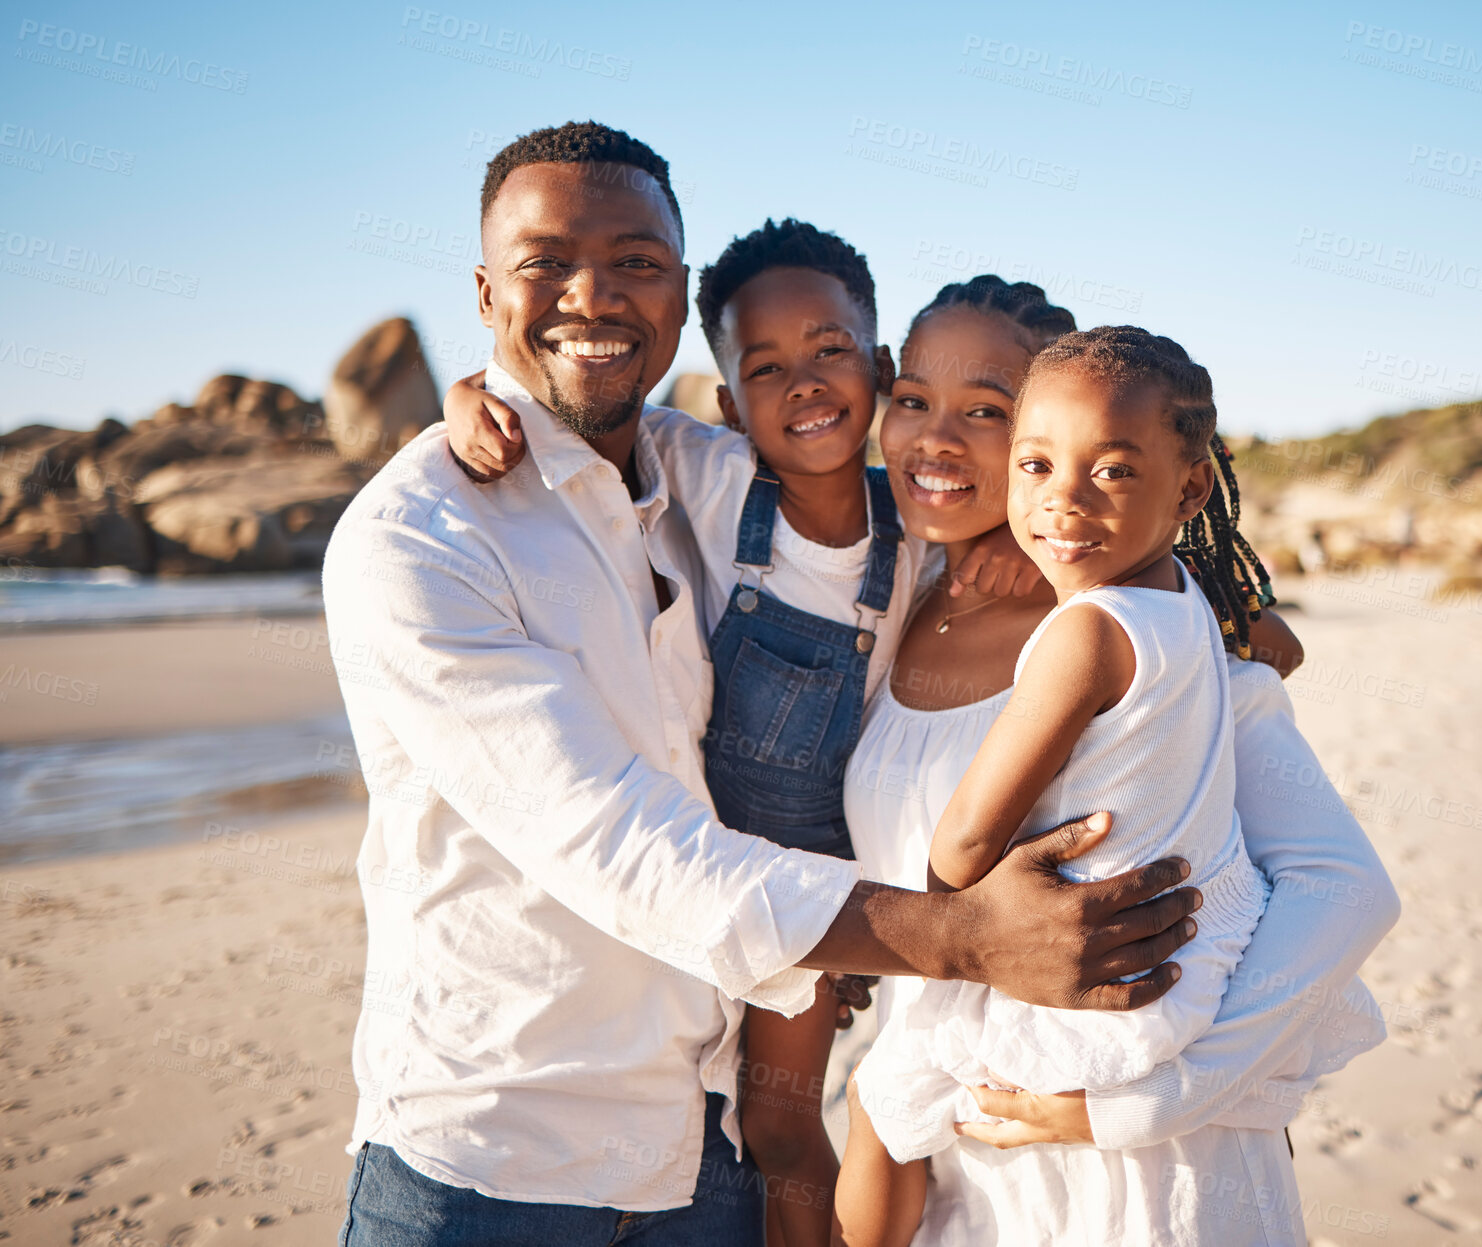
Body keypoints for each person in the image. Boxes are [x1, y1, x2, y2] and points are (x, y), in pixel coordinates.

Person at [323, 122, 1200, 1247]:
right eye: (546, 262)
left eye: (634, 261)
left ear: (675, 292)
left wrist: (1206, 600)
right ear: (487, 290)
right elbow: (621, 844)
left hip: (704, 1145)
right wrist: (954, 933)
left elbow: (1038, 483)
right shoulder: (420, 537)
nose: (592, 294)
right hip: (494, 1160)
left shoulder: (695, 470)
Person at [441, 216, 1036, 1247]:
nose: (803, 384)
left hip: (859, 875)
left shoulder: (933, 521)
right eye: (765, 368)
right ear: (726, 403)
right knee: (764, 1113)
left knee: (811, 1109)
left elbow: (1073, 527)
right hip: (734, 867)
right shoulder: (710, 479)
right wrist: (466, 396)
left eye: (830, 352)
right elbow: (570, 409)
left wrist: (1206, 603)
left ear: (883, 365)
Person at [837, 283, 1398, 1245]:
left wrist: (1170, 1096)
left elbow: (1343, 891)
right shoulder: (889, 602)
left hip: (1135, 1167)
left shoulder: (1182, 649)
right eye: (912, 399)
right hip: (967, 1151)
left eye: (985, 408)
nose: (936, 437)